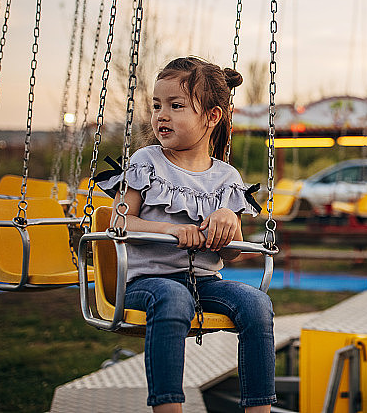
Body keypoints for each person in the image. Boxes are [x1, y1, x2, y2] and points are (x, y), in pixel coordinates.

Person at [97, 56, 275, 412]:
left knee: (257, 303)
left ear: (211, 117)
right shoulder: (146, 162)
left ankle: (259, 407)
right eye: (157, 105)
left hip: (203, 283)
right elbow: (118, 223)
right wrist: (170, 229)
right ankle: (168, 407)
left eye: (176, 106)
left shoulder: (227, 178)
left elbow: (231, 255)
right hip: (145, 281)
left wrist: (229, 221)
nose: (162, 114)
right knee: (172, 299)